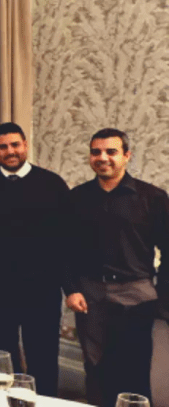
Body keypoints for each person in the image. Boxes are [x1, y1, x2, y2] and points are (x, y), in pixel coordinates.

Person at [64, 128, 168, 407]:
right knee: (95, 369)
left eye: (111, 151)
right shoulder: (77, 198)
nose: (103, 157)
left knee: (134, 371)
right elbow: (65, 250)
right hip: (91, 294)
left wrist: (162, 299)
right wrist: (71, 290)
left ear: (126, 155)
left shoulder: (153, 198)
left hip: (137, 293)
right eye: (96, 152)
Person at [0, 122, 69, 397]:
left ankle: (45, 402)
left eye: (15, 145)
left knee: (43, 356)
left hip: (42, 288)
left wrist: (67, 283)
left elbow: (67, 238)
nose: (10, 151)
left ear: (25, 145)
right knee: (2, 360)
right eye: (3, 147)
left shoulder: (52, 184)